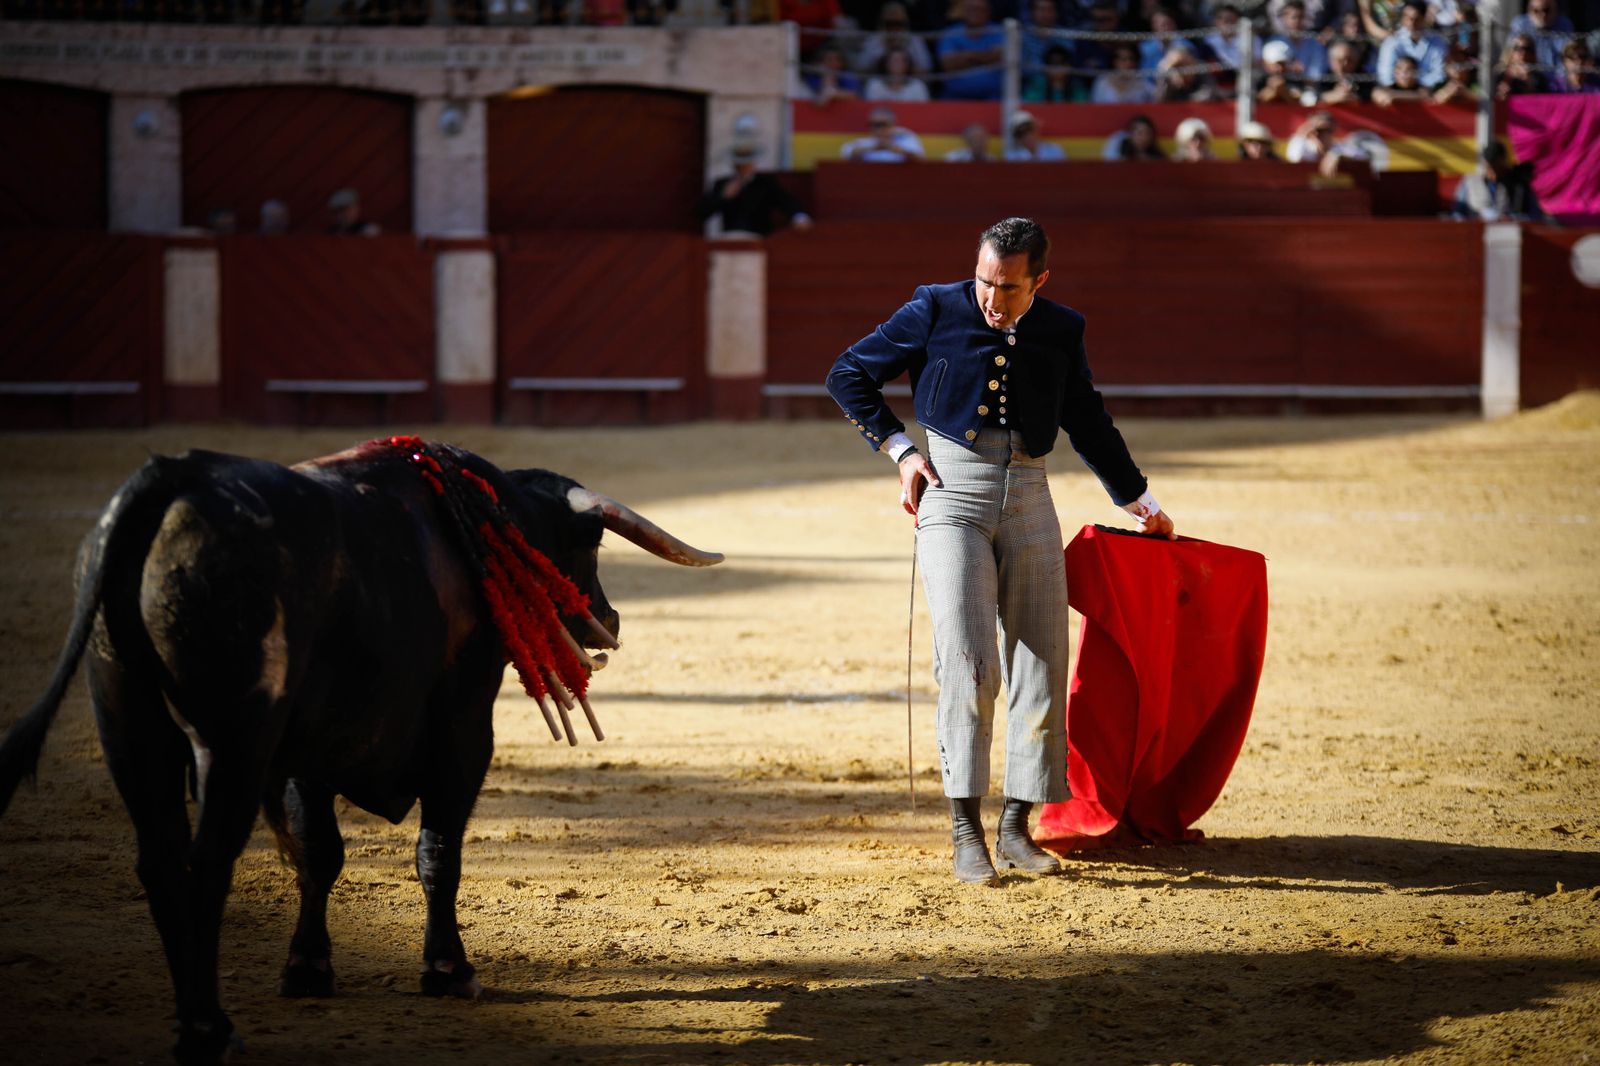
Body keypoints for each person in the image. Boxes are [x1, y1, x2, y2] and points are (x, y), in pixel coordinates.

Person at [825, 217, 1175, 885]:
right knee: (969, 660)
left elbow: (1088, 419)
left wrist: (1141, 502)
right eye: (986, 281)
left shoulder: (1062, 328)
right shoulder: (935, 306)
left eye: (1009, 288)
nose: (992, 298)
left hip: (1032, 496)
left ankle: (1016, 828)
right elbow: (848, 374)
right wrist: (901, 452)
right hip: (950, 493)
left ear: (1039, 281)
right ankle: (966, 832)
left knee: (1041, 660)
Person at [699, 145, 814, 236]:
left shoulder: (765, 183)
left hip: (759, 237)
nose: (743, 168)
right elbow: (703, 212)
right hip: (731, 236)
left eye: (746, 164)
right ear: (734, 166)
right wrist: (723, 197)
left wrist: (799, 216)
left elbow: (785, 201)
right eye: (739, 165)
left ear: (752, 165)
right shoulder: (722, 184)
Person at [1453, 140, 1549, 221]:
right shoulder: (1469, 182)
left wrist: (1512, 219)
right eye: (1489, 168)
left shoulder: (1519, 185)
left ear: (1504, 161)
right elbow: (1457, 214)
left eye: (1497, 167)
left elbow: (1535, 216)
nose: (1493, 174)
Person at [938, 0, 1008, 100]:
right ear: (964, 12)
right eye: (971, 9)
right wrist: (986, 57)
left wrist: (966, 56)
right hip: (955, 97)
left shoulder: (998, 31)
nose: (975, 13)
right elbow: (948, 64)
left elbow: (1000, 57)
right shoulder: (951, 33)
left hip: (994, 97)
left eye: (979, 9)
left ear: (988, 12)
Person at [1376, 0, 1447, 88]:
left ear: (1424, 18)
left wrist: (1416, 81)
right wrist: (1405, 82)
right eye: (1406, 17)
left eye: (1416, 18)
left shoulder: (1437, 42)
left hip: (1426, 90)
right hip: (1397, 90)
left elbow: (1439, 74)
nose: (1411, 23)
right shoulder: (1392, 42)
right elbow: (1385, 76)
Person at [856, 2, 936, 74]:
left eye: (898, 24)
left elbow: (926, 68)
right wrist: (881, 64)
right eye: (889, 24)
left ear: (905, 24)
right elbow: (861, 68)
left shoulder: (914, 40)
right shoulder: (873, 40)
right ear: (882, 24)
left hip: (909, 82)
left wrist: (905, 66)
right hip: (878, 82)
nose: (894, 29)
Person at [1508, 0, 1574, 73]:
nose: (1542, 14)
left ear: (1554, 9)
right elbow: (1510, 55)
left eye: (1546, 10)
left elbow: (1568, 55)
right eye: (1536, 11)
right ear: (1529, 10)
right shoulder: (1520, 24)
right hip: (1529, 74)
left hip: (1556, 76)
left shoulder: (1564, 25)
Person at [841, 106, 926, 161]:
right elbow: (846, 154)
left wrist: (899, 150)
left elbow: (920, 158)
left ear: (892, 124)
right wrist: (874, 148)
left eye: (882, 124)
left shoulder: (905, 138)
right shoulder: (865, 142)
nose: (878, 129)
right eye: (874, 125)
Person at [1093, 42, 1158, 102]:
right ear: (1114, 61)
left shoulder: (1142, 83)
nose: (1128, 63)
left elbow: (1157, 98)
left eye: (1131, 59)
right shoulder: (1102, 82)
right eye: (1123, 59)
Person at [1317, 38, 1374, 103]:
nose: (1345, 63)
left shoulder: (1365, 77)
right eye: (1340, 60)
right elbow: (1315, 95)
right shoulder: (1324, 78)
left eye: (1350, 60)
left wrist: (1357, 96)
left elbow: (1371, 93)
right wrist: (1331, 96)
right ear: (1330, 60)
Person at [864, 46, 932, 100]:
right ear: (886, 63)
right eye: (895, 60)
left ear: (908, 64)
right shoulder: (875, 85)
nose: (898, 64)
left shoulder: (917, 86)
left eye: (902, 60)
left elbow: (923, 110)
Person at [1495, 34, 1548, 98]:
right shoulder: (1500, 75)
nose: (1523, 52)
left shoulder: (1539, 77)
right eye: (1517, 48)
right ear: (1510, 51)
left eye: (1527, 49)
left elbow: (1540, 100)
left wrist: (1528, 81)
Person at [1102, 113, 1167, 159]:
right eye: (1140, 133)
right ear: (1131, 135)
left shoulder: (1156, 157)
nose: (1144, 137)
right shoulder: (1118, 150)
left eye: (1148, 133)